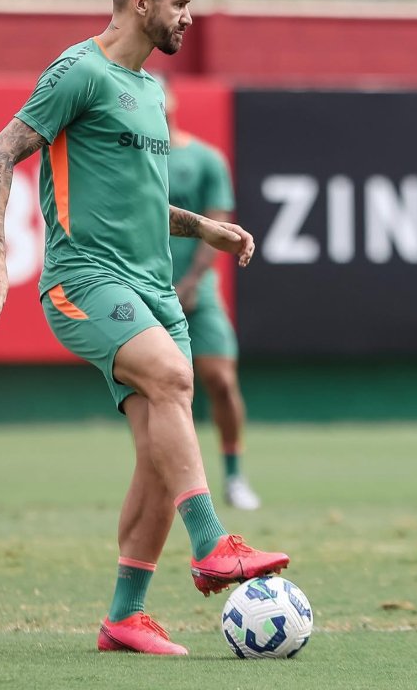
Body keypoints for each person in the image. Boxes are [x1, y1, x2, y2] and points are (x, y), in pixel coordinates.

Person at [0, 0, 290, 656]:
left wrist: (200, 223)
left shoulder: (147, 89)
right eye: (179, 5)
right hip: (83, 283)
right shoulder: (78, 71)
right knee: (177, 379)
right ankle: (213, 544)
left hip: (151, 287)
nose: (189, 18)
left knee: (157, 455)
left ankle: (125, 617)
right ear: (141, 3)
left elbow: (137, 200)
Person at [159, 77, 260, 511]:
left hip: (198, 294)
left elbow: (217, 227)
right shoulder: (129, 162)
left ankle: (235, 476)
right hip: (147, 291)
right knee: (157, 392)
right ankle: (168, 484)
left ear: (173, 98)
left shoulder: (205, 159)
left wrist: (192, 282)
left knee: (220, 379)